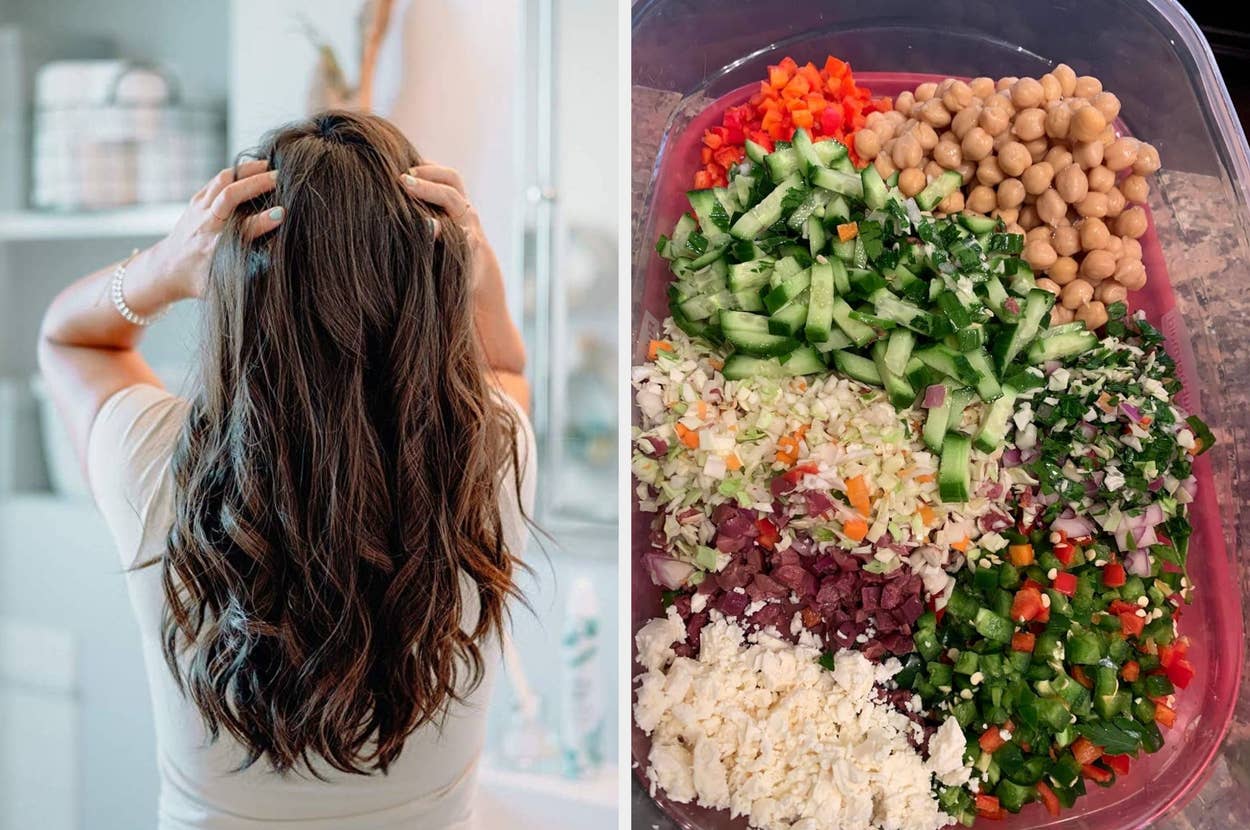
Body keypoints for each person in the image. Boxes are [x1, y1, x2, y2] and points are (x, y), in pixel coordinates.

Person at [37, 110, 535, 829]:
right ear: (432, 290)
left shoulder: (151, 460)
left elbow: (68, 340)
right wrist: (474, 274)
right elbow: (502, 366)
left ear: (240, 286)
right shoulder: (489, 462)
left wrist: (164, 268)